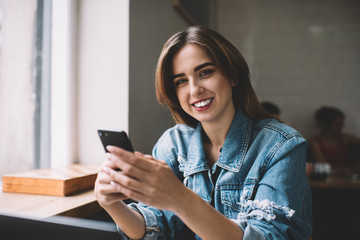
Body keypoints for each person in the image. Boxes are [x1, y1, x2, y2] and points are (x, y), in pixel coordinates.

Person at [94, 26, 312, 240]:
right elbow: (155, 228)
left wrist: (180, 198)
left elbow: (267, 236)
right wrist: (112, 204)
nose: (194, 89)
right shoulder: (173, 144)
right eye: (181, 81)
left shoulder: (282, 146)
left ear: (233, 75)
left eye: (205, 72)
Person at [308, 106, 360, 174]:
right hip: (329, 178)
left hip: (347, 177)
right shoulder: (315, 142)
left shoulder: (345, 138)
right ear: (326, 125)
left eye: (342, 125)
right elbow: (324, 166)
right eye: (338, 125)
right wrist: (348, 169)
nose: (341, 128)